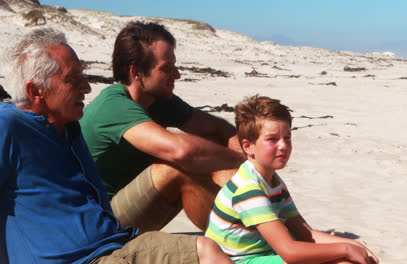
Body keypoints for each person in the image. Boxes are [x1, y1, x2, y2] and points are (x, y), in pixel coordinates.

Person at [0, 27, 234, 264]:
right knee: (205, 252)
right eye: (72, 79)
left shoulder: (69, 128)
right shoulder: (8, 125)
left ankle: (248, 227)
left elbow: (214, 130)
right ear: (36, 91)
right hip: (86, 257)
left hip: (111, 242)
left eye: (83, 76)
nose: (87, 87)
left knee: (205, 247)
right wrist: (248, 160)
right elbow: (182, 151)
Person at [79, 21, 245, 232]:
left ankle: (256, 221)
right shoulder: (114, 106)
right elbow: (182, 151)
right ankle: (235, 237)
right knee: (175, 166)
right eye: (167, 68)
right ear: (136, 72)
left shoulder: (158, 100)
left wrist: (249, 163)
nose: (177, 75)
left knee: (210, 145)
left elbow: (218, 128)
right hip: (98, 221)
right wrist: (243, 159)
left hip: (128, 211)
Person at [205, 95, 379, 264]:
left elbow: (306, 234)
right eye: (272, 139)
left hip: (264, 255)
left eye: (287, 137)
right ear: (248, 146)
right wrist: (345, 249)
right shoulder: (248, 189)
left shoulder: (273, 181)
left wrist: (354, 245)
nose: (283, 145)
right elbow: (289, 251)